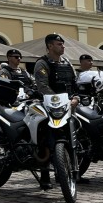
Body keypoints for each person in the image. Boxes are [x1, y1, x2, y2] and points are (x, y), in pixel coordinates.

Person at [34, 33, 81, 190]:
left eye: (62, 44)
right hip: (49, 107)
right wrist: (57, 101)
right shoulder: (42, 63)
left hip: (69, 107)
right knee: (45, 137)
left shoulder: (67, 63)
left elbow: (74, 84)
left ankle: (71, 171)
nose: (63, 47)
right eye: (58, 44)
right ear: (50, 46)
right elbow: (42, 86)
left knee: (73, 136)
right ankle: (45, 173)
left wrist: (75, 98)